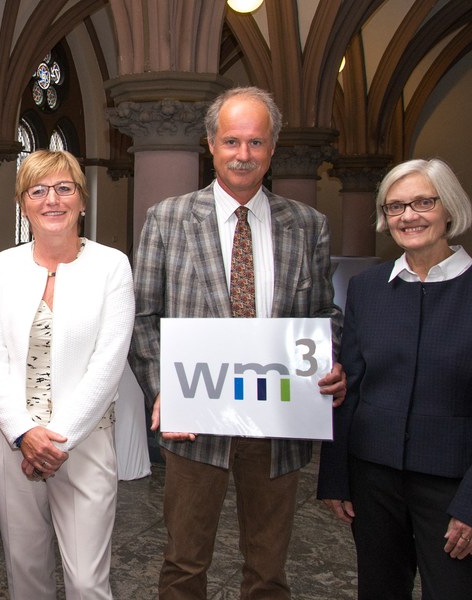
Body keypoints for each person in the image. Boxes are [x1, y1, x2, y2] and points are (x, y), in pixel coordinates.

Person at [128, 86, 347, 600]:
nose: (243, 155)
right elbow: (142, 316)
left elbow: (323, 314)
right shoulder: (169, 219)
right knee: (184, 563)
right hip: (196, 416)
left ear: (272, 148)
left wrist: (328, 359)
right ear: (210, 144)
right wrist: (166, 391)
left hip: (279, 418)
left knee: (269, 571)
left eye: (255, 142)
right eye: (231, 141)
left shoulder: (308, 226)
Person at [317, 158, 472, 599]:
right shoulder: (368, 288)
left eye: (423, 202)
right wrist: (337, 477)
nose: (408, 215)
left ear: (449, 209)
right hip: (373, 483)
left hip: (455, 487)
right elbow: (349, 387)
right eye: (395, 207)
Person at [0, 150, 134, 599]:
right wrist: (24, 432)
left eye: (64, 188)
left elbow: (109, 361)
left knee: (87, 581)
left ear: (82, 200)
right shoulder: (4, 266)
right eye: (38, 190)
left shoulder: (111, 266)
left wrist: (54, 438)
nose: (52, 200)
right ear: (23, 203)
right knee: (26, 574)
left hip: (82, 440)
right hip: (12, 438)